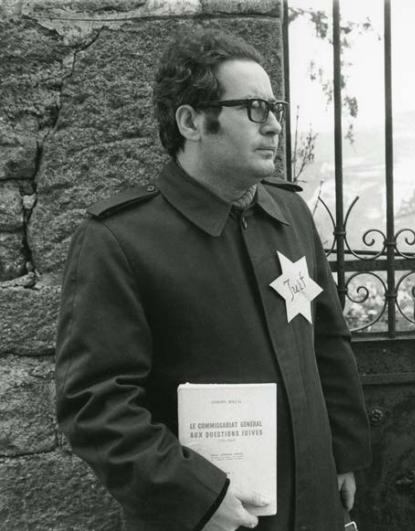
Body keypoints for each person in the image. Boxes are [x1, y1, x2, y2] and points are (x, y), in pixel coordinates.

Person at [55, 28, 371, 531]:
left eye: (275, 108)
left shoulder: (290, 213)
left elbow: (328, 342)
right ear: (192, 121)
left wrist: (344, 453)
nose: (273, 126)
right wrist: (194, 497)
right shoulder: (120, 240)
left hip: (312, 503)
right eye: (254, 108)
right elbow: (96, 404)